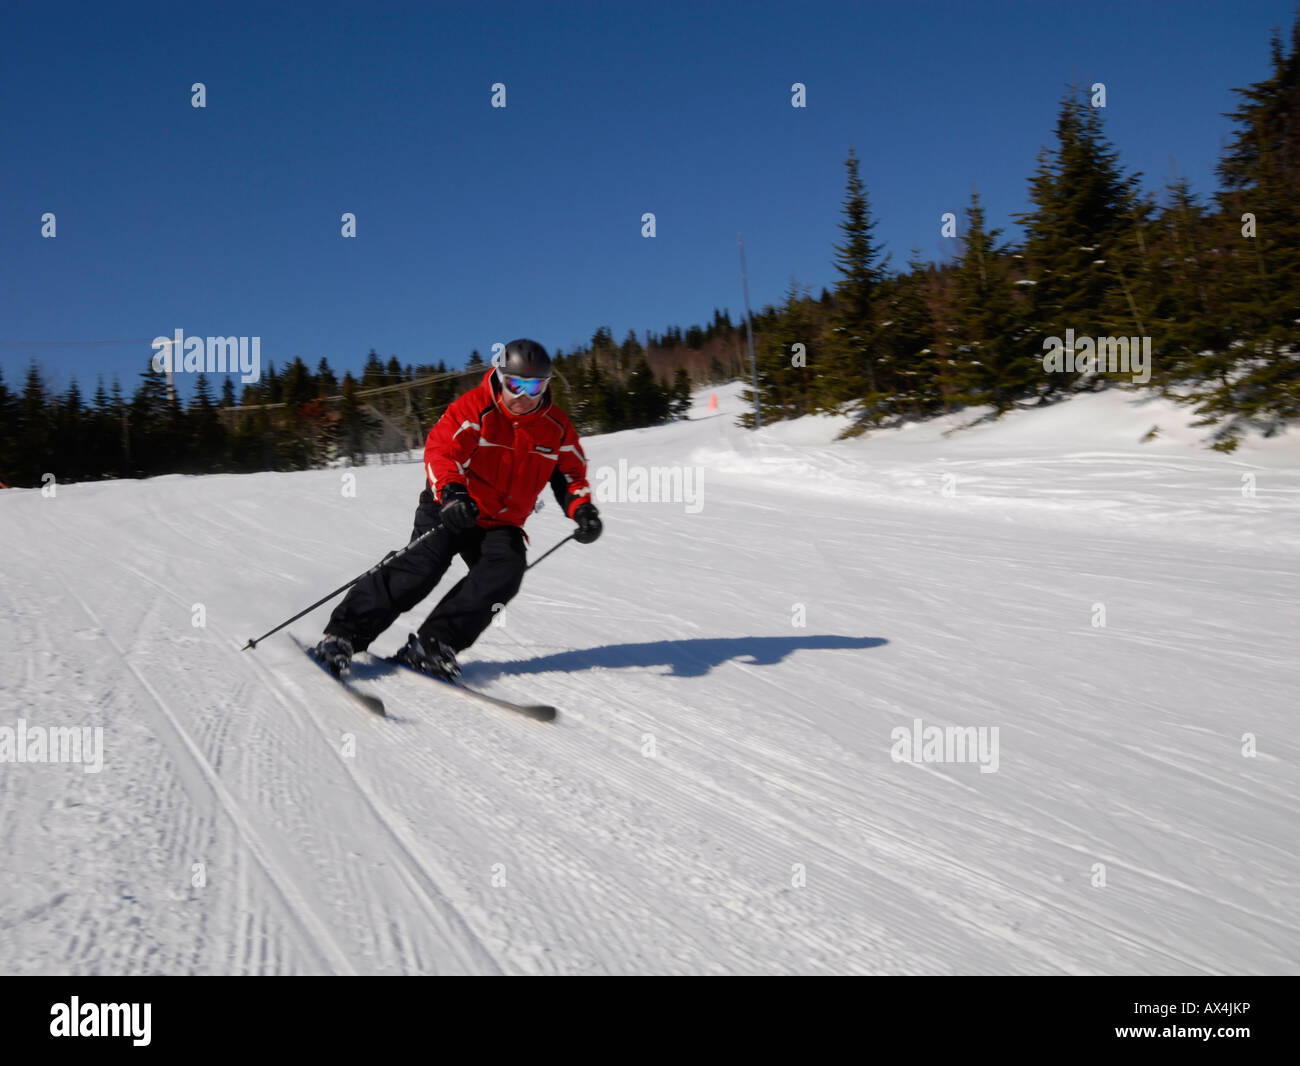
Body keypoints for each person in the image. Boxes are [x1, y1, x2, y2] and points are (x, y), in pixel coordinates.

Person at [312, 338, 602, 678]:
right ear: (500, 377)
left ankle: (434, 644)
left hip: (501, 522)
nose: (524, 396)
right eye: (515, 384)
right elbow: (441, 451)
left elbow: (569, 473)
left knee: (505, 571)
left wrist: (582, 509)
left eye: (534, 386)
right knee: (420, 569)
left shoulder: (556, 427)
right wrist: (451, 493)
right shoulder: (474, 407)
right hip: (452, 506)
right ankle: (343, 635)